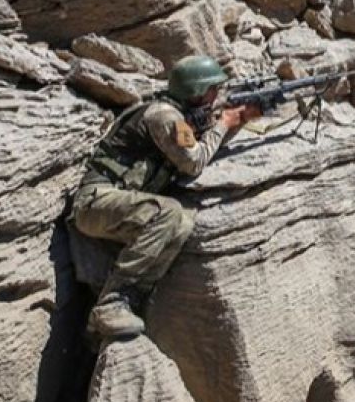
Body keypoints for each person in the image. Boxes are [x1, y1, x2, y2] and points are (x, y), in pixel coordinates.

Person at [70, 55, 259, 338]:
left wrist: (238, 121)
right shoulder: (165, 117)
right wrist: (223, 123)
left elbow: (201, 149)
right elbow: (193, 161)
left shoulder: (179, 114)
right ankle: (110, 304)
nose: (216, 95)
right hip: (95, 203)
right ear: (196, 91)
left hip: (117, 203)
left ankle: (131, 302)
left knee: (182, 222)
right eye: (212, 89)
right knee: (168, 211)